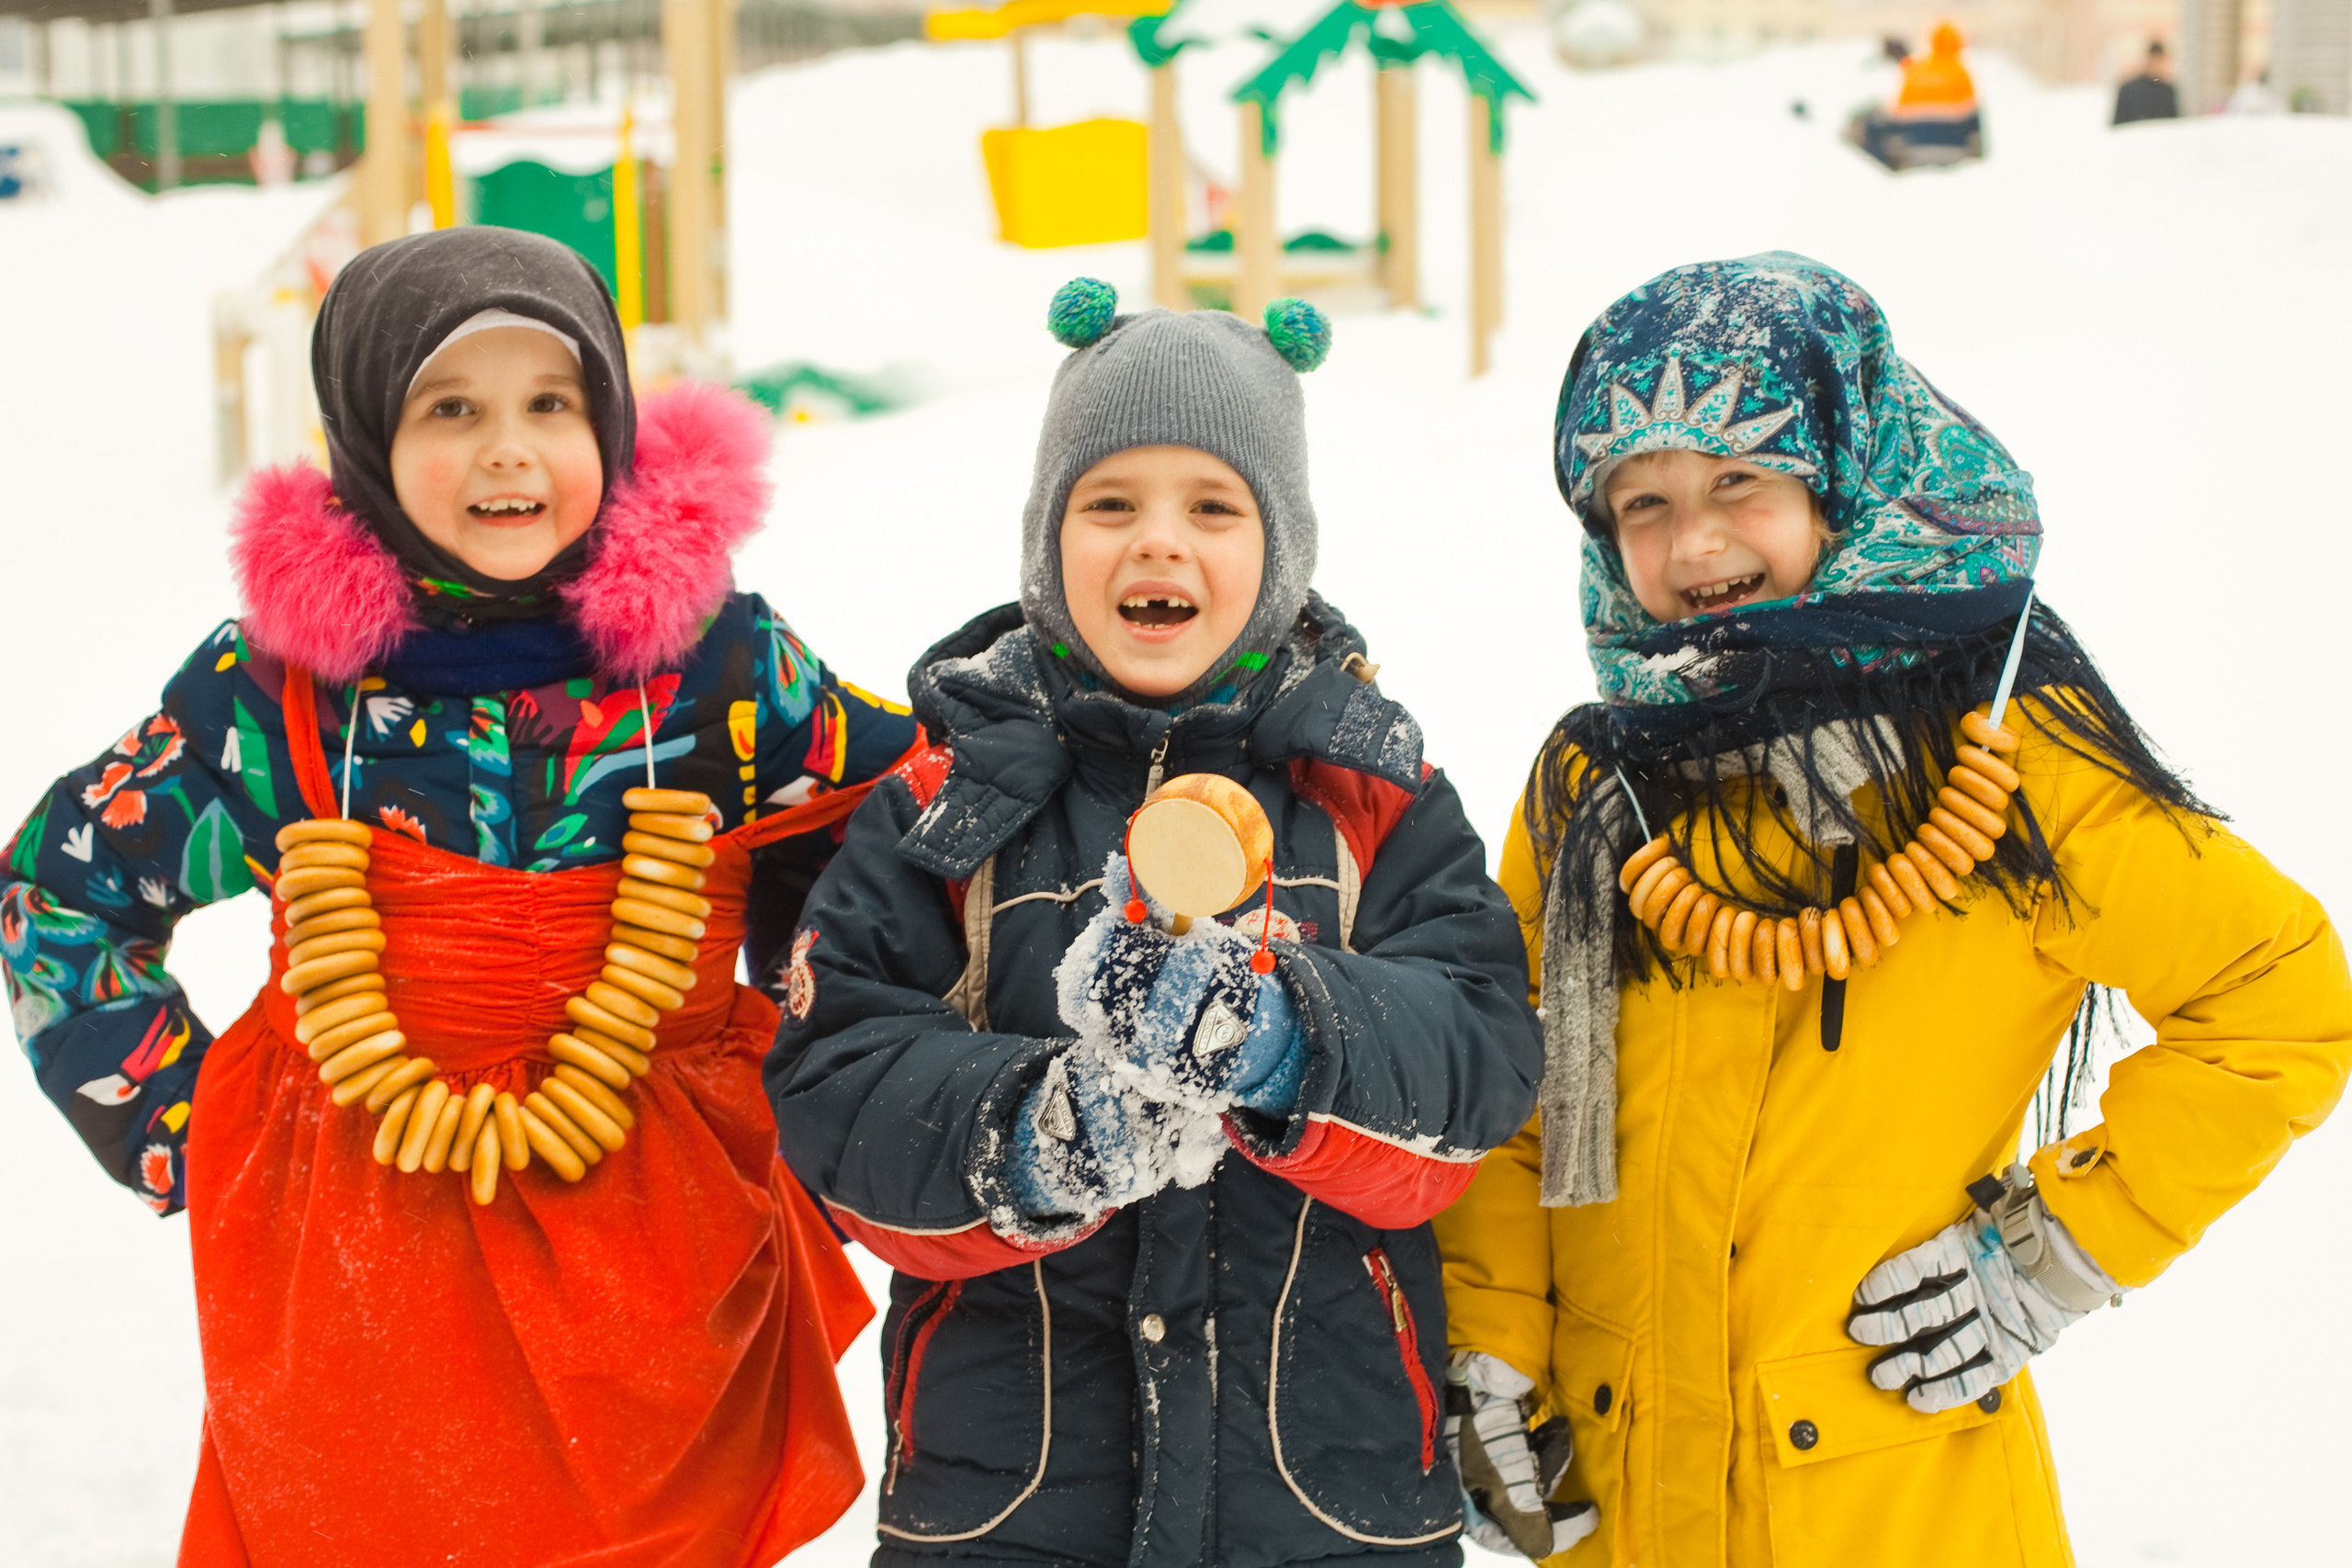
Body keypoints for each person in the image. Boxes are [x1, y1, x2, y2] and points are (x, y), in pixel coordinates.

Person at [0, 226, 921, 1565]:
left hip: (657, 1267)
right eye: (452, 407)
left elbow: (896, 823)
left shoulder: (721, 668)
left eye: (552, 402)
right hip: (364, 1280)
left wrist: (813, 1059)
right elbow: (58, 895)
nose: (509, 448)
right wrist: (194, 1134)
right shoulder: (285, 694)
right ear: (365, 435)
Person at [1431, 252, 2352, 1565]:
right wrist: (1492, 1339)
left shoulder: (2001, 750)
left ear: (1842, 470)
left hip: (1894, 1504)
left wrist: (2055, 1249)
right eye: (1642, 502)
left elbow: (2282, 1000)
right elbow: (1528, 1085)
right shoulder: (1596, 780)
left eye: (1738, 478)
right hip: (1625, 1503)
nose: (1693, 543)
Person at [766, 279, 1550, 1567]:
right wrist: (1032, 1128)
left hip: (1325, 1504)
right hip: (1008, 1507)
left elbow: (1480, 1055)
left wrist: (1295, 1040)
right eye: (1111, 502)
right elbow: (834, 1078)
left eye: (1213, 506)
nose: (1158, 543)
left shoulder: (1368, 786)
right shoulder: (946, 798)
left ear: (1280, 547)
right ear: (1048, 537)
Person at [2114, 40, 2181, 123]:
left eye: (2159, 61)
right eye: (2154, 61)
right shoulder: (2128, 90)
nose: (2157, 65)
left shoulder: (2168, 91)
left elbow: (2174, 122)